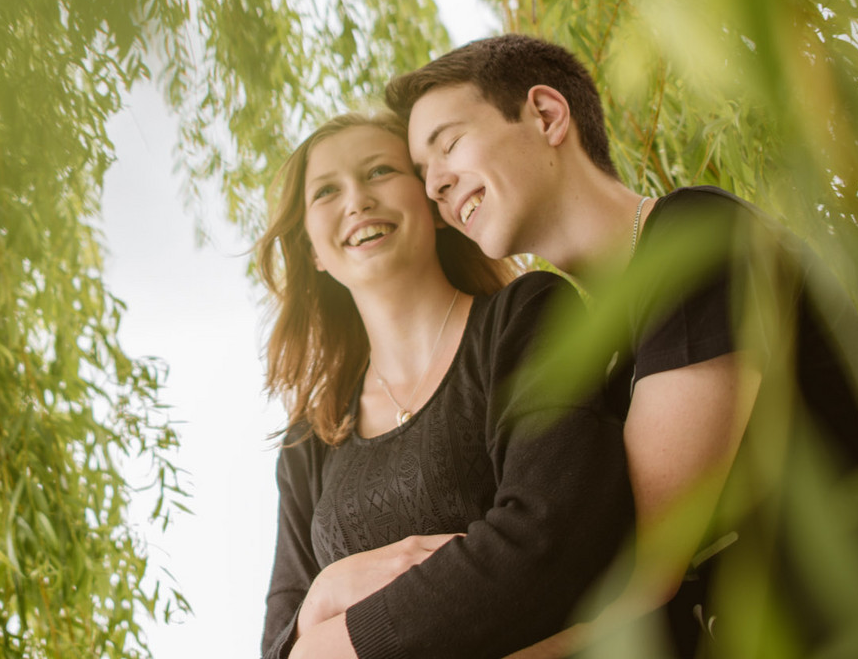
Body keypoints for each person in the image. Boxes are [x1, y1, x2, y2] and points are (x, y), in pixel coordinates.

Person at [389, 33, 858, 657]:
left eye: (449, 146)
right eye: (424, 177)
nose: (436, 189)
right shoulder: (591, 347)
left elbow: (637, 564)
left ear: (546, 115)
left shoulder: (698, 238)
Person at [258, 110, 632, 659]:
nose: (357, 200)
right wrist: (326, 593)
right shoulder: (308, 445)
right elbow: (276, 646)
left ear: (432, 206)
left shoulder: (525, 319)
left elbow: (550, 544)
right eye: (327, 192)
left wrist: (334, 641)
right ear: (312, 249)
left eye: (380, 172)